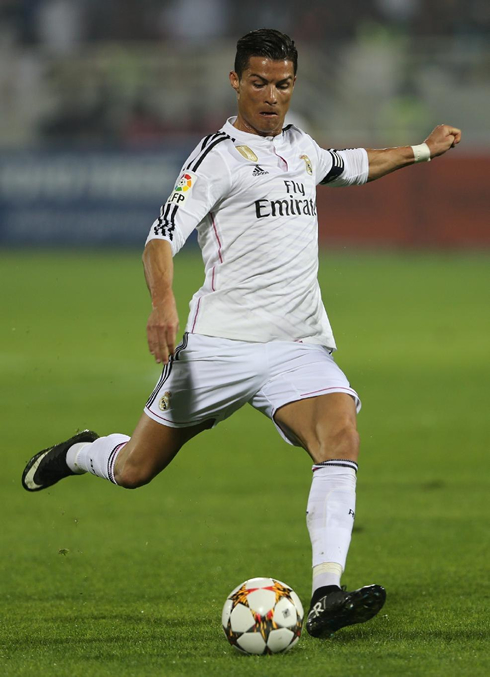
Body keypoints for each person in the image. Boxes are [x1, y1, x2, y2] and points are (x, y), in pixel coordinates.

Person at [22, 29, 461, 639]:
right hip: (216, 349)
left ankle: (327, 593)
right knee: (135, 470)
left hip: (296, 346)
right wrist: (164, 302)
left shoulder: (301, 146)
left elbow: (351, 165)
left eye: (282, 84)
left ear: (293, 86)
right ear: (235, 81)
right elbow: (160, 237)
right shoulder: (215, 158)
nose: (271, 95)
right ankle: (78, 452)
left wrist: (422, 150)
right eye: (258, 82)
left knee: (341, 434)